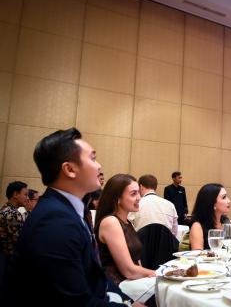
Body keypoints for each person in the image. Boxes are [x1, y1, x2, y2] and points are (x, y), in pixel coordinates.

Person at [4, 127, 140, 306]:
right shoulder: (54, 222)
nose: (99, 166)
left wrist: (127, 300)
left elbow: (96, 274)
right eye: (92, 158)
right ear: (69, 169)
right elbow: (75, 302)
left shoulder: (70, 210)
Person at [94, 174, 156, 285]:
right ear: (118, 199)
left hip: (131, 282)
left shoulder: (127, 222)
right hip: (117, 286)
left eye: (138, 192)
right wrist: (161, 274)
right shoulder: (111, 222)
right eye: (133, 194)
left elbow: (136, 263)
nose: (139, 197)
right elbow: (129, 271)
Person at [0, 181, 28, 292]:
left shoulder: (4, 209)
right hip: (9, 260)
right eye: (25, 194)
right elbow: (21, 240)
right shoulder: (13, 214)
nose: (27, 198)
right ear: (15, 195)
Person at [189, 183, 231, 250]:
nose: (229, 201)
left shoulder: (226, 222)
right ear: (212, 203)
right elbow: (197, 257)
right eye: (224, 197)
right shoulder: (197, 226)